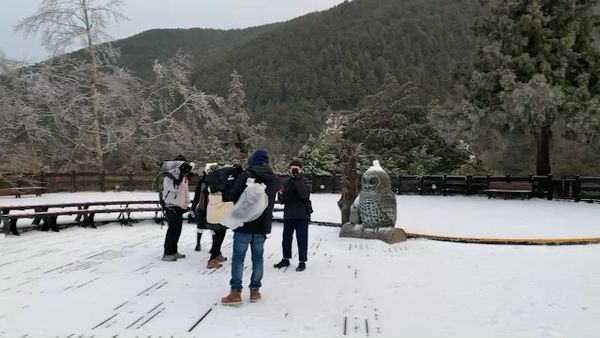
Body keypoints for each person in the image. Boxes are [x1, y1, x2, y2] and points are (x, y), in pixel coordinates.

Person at [220, 149, 280, 305]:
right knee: (258, 258)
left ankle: (235, 293)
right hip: (262, 225)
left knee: (238, 258)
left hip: (243, 224)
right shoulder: (273, 179)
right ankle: (255, 291)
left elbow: (232, 195)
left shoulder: (245, 175)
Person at [191, 163, 231, 269]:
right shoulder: (214, 183)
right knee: (218, 233)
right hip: (211, 210)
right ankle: (212, 259)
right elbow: (198, 196)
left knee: (219, 233)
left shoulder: (208, 181)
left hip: (213, 210)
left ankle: (217, 253)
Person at [274, 160, 312, 271]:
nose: (294, 171)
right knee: (286, 238)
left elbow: (304, 194)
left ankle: (302, 261)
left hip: (302, 215)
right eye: (292, 169)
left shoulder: (306, 181)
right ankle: (285, 258)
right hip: (289, 214)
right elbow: (281, 198)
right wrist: (287, 193)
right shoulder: (285, 182)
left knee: (302, 239)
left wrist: (297, 179)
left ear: (301, 170)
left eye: (296, 169)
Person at [161, 155, 192, 262]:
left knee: (177, 230)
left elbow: (185, 191)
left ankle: (174, 250)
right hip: (171, 206)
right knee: (172, 230)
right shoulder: (169, 176)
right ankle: (167, 252)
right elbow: (173, 188)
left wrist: (187, 203)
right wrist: (179, 178)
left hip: (179, 206)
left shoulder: (183, 176)